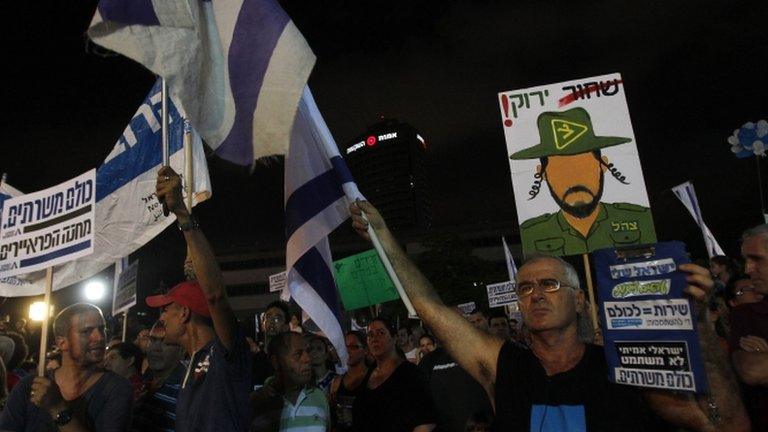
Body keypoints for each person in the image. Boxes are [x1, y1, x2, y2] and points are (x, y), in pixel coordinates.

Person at [350, 200, 749, 431]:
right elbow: (430, 308)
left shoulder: (622, 368)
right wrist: (383, 238)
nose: (536, 293)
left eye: (550, 284)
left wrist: (698, 329)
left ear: (579, 300)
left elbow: (725, 426)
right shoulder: (501, 364)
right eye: (525, 287)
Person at [147, 166, 252, 432]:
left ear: (184, 314)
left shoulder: (225, 352)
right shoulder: (188, 362)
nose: (161, 317)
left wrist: (183, 214)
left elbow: (215, 296)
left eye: (166, 309)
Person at [510, 107, 656, 255]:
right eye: (562, 172)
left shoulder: (640, 219)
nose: (574, 181)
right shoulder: (532, 233)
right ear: (542, 174)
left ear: (603, 165)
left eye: (583, 169)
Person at [0, 303, 132, 431]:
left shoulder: (117, 389)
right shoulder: (30, 386)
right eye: (86, 331)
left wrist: (57, 408)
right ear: (62, 343)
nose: (99, 337)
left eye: (102, 329)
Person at [353, 317, 436, 432]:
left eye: (381, 333)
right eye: (370, 334)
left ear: (394, 338)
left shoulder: (411, 374)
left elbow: (425, 423)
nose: (374, 339)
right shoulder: (366, 376)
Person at [250, 331, 330, 431]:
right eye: (298, 354)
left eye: (307, 352)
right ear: (276, 362)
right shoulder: (258, 402)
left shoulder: (319, 397)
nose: (308, 359)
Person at [730, 224, 768, 431]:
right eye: (746, 260)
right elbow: (752, 369)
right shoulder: (746, 315)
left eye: (756, 259)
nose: (747, 269)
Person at [131, 321, 186, 432]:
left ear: (182, 350)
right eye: (152, 340)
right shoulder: (146, 380)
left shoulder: (187, 388)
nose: (155, 348)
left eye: (165, 342)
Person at [329, 331, 372, 431]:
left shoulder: (374, 378)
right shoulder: (337, 382)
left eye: (353, 347)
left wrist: (355, 418)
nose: (347, 351)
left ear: (365, 350)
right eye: (345, 347)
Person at [253, 301, 291, 388]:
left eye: (277, 318)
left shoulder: (289, 362)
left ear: (286, 327)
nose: (271, 321)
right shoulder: (254, 360)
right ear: (263, 324)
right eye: (268, 317)